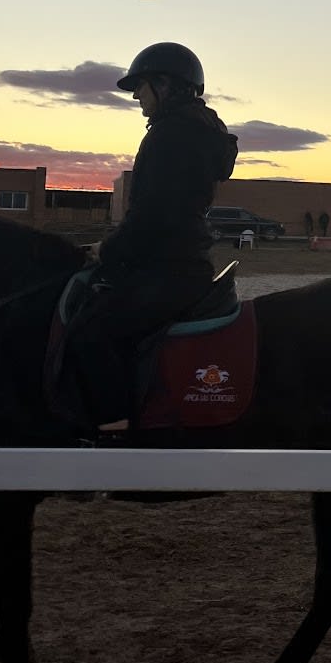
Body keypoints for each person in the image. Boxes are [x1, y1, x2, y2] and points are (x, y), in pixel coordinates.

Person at [64, 42, 238, 435]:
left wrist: (107, 250)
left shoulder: (170, 134)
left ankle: (113, 433)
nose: (138, 97)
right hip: (180, 263)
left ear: (166, 85)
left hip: (167, 269)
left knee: (91, 333)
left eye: (141, 87)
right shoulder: (194, 130)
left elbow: (153, 214)